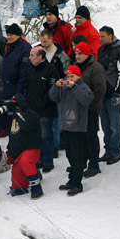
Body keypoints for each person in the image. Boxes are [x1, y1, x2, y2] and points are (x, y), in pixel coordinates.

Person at [50, 64, 94, 196]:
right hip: (66, 126)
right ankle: (72, 180)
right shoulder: (64, 88)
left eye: (72, 76)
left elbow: (87, 100)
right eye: (68, 76)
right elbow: (52, 97)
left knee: (77, 156)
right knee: (69, 155)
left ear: (78, 76)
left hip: (78, 127)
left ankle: (77, 183)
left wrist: (74, 86)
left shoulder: (82, 87)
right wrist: (56, 86)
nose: (69, 79)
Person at [0, 95, 42, 198]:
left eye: (15, 105)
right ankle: (22, 187)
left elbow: (25, 126)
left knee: (24, 160)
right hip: (17, 152)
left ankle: (37, 187)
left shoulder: (32, 115)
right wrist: (3, 112)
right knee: (17, 184)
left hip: (32, 149)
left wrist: (16, 112)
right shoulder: (12, 117)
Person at [71, 42, 107, 177]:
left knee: (91, 135)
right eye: (76, 53)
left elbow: (100, 89)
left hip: (90, 108)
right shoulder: (75, 66)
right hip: (77, 108)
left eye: (81, 53)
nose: (78, 56)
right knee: (80, 136)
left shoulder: (95, 67)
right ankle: (82, 161)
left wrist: (90, 105)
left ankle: (94, 163)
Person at [96, 25, 120, 164]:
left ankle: (116, 151)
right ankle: (108, 149)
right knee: (105, 123)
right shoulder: (101, 50)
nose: (100, 39)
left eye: (102, 36)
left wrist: (118, 93)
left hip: (113, 92)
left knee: (114, 123)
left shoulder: (119, 51)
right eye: (99, 36)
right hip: (102, 93)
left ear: (110, 36)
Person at [0, 23, 30, 99]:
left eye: (11, 35)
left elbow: (24, 72)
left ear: (18, 35)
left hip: (16, 89)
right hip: (6, 88)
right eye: (8, 35)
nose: (9, 37)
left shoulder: (25, 48)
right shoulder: (9, 47)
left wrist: (18, 93)